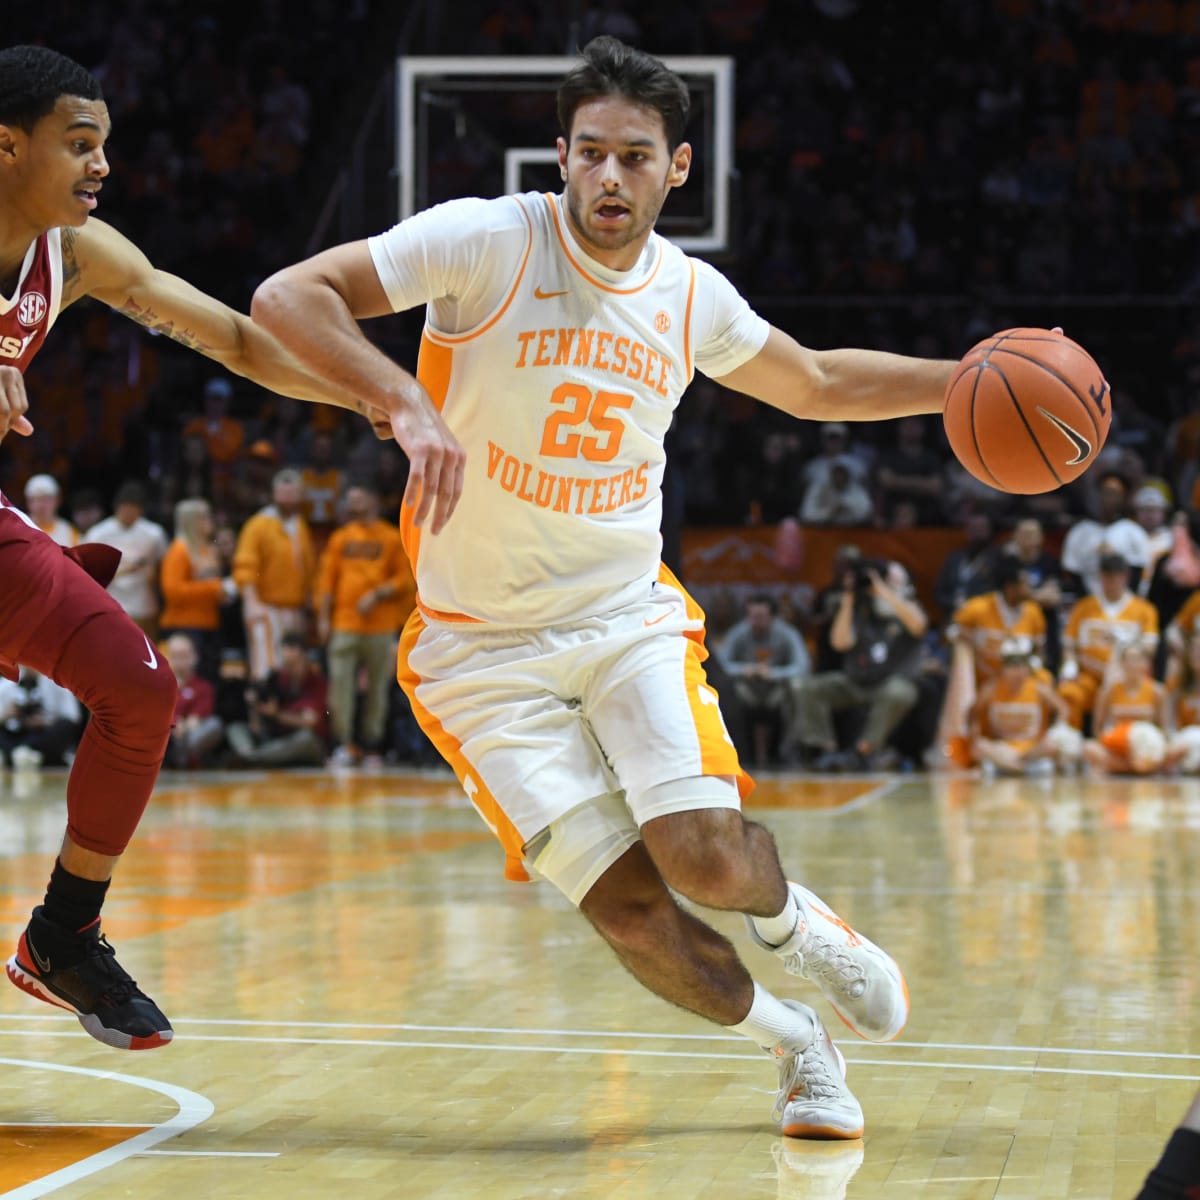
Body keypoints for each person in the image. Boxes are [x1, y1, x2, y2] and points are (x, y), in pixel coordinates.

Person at [252, 36, 984, 1137]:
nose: (608, 177)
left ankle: (793, 924)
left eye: (634, 157)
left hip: (622, 616)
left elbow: (821, 383)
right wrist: (402, 399)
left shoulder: (692, 296)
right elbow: (287, 294)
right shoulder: (488, 237)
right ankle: (797, 1043)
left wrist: (965, 382)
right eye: (589, 153)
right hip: (475, 654)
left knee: (703, 858)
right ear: (559, 156)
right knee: (636, 918)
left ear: (675, 169)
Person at [0, 45, 462, 1053]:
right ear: (7, 144)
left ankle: (64, 935)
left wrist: (379, 395)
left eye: (105, 146)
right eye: (78, 144)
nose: (100, 166)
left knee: (141, 690)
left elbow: (241, 344)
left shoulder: (75, 256)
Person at [791, 559, 929, 771]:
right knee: (806, 687)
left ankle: (865, 750)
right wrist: (848, 599)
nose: (877, 586)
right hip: (857, 683)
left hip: (891, 684)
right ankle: (824, 750)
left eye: (889, 581)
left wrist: (885, 592)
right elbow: (840, 642)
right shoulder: (859, 609)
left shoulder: (907, 608)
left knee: (897, 692)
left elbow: (919, 626)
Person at [316, 482, 414, 768]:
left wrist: (378, 593)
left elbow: (405, 580)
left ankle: (372, 746)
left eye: (357, 497)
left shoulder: (391, 537)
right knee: (340, 687)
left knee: (378, 691)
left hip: (381, 626)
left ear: (372, 500)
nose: (351, 502)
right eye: (349, 498)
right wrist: (323, 618)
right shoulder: (340, 538)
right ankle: (343, 744)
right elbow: (326, 583)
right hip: (344, 623)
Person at [232, 468, 316, 680]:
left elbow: (306, 568)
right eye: (282, 493)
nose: (287, 499)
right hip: (266, 607)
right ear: (273, 494)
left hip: (294, 608)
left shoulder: (299, 524)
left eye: (292, 493)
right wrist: (251, 602)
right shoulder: (258, 524)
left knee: (291, 672)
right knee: (266, 669)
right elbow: (245, 566)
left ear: (300, 495)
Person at [1058, 553, 1160, 729]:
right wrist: (1070, 665)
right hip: (1090, 675)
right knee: (1069, 692)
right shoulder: (1084, 607)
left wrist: (1124, 641)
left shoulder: (1144, 610)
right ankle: (1070, 741)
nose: (1111, 581)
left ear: (1125, 577)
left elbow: (1150, 647)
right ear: (1100, 577)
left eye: (1116, 576)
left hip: (1125, 676)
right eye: (1106, 576)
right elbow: (1069, 644)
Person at [718, 592, 809, 767]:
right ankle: (734, 751)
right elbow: (721, 666)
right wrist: (745, 670)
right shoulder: (738, 633)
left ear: (773, 617)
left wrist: (773, 673)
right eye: (752, 616)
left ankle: (790, 751)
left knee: (798, 687)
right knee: (723, 687)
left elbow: (802, 667)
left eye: (761, 617)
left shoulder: (787, 634)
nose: (755, 622)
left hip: (777, 690)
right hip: (746, 688)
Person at [967, 636, 1071, 776]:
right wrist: (976, 732)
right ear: (1003, 666)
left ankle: (1013, 766)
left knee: (1052, 746)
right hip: (1003, 748)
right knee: (979, 747)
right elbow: (973, 713)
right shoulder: (991, 689)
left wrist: (1056, 731)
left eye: (1020, 664)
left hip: (1032, 750)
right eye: (1011, 664)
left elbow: (1063, 710)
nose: (1016, 670)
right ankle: (1019, 768)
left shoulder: (1039, 689)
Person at [81, 480, 169, 639]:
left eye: (133, 508)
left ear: (141, 509)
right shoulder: (98, 534)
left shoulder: (155, 534)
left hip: (143, 605)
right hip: (109, 604)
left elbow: (163, 567)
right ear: (116, 507)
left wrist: (153, 574)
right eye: (125, 507)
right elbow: (87, 573)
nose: (128, 512)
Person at [159, 497, 234, 679]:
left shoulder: (207, 549)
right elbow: (173, 591)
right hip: (184, 626)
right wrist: (214, 587)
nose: (211, 521)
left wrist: (223, 593)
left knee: (209, 680)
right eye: (205, 517)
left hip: (210, 625)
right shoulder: (179, 550)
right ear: (192, 521)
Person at [226, 632, 328, 767]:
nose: (289, 668)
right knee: (235, 728)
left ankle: (252, 758)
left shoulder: (318, 683)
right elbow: (258, 712)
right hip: (275, 738)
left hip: (298, 740)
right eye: (286, 663)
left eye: (293, 663)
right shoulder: (276, 677)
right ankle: (250, 755)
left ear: (304, 657)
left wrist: (277, 715)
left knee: (306, 739)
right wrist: (255, 709)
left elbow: (309, 721)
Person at [1081, 640, 1171, 775]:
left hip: (1146, 746)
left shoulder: (1158, 691)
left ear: (1147, 664)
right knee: (1089, 748)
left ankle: (1125, 767)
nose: (1133, 664)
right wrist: (1116, 741)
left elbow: (1163, 728)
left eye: (1138, 659)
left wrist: (1149, 743)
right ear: (1121, 663)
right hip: (1117, 746)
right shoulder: (1108, 691)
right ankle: (1136, 768)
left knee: (1177, 749)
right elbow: (1097, 729)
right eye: (1129, 659)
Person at [0, 665, 83, 768]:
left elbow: (73, 717)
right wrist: (6, 715)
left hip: (43, 734)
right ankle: (22, 754)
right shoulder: (6, 685)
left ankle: (20, 754)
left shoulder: (57, 682)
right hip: (15, 734)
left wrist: (46, 721)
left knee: (65, 727)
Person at [163, 632, 224, 769]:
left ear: (194, 657)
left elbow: (198, 717)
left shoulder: (203, 687)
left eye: (184, 655)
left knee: (214, 724)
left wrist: (182, 727)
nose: (180, 661)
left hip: (187, 735)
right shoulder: (159, 685)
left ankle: (180, 757)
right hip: (163, 734)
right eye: (175, 656)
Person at [24, 473, 77, 546]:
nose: (40, 505)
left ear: (58, 500)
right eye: (35, 500)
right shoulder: (19, 531)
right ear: (27, 503)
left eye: (46, 499)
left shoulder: (69, 532)